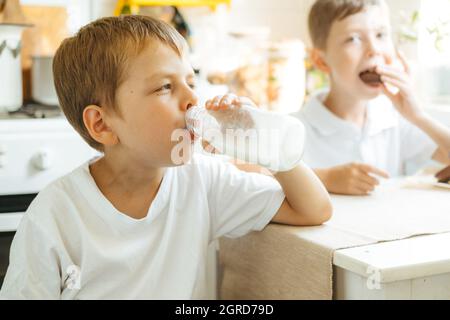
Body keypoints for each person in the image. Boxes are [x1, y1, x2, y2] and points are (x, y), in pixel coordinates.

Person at [0, 15, 332, 299]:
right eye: (164, 87)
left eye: (190, 81)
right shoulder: (53, 217)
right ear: (101, 124)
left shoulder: (203, 181)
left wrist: (263, 144)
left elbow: (313, 208)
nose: (192, 98)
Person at [292, 0, 450, 196]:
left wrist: (417, 116)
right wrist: (325, 178)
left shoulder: (394, 120)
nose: (374, 49)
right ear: (320, 60)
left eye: (381, 35)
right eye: (353, 39)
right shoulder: (294, 131)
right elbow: (259, 182)